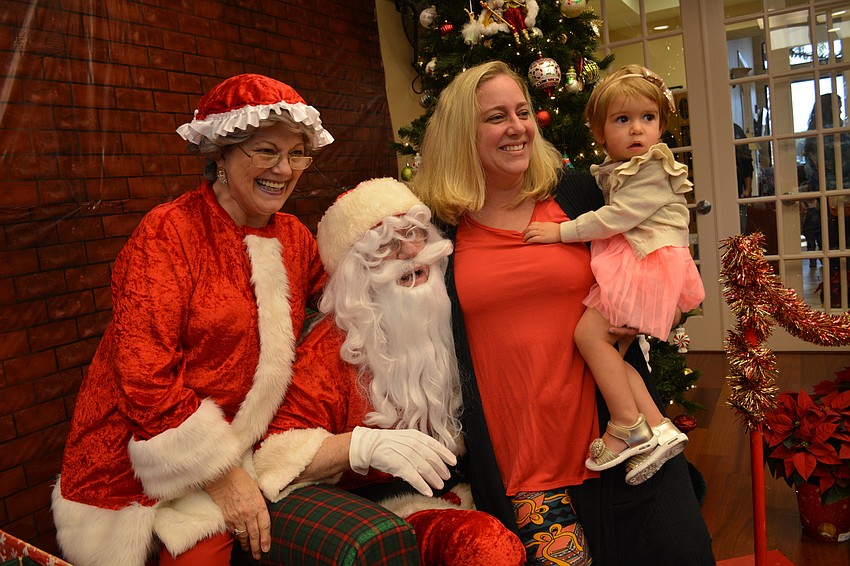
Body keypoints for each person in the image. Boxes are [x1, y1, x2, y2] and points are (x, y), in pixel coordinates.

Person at [412, 60, 714, 565]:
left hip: (621, 438)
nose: (517, 127)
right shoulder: (439, 228)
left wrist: (642, 313)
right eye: (495, 117)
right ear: (461, 133)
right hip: (523, 461)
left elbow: (663, 248)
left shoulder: (578, 194)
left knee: (681, 553)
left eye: (523, 111)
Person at [51, 74, 333, 566]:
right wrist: (223, 476)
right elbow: (144, 377)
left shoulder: (294, 237)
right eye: (266, 151)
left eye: (296, 154)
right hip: (139, 467)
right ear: (221, 155)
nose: (284, 170)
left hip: (241, 448)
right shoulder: (169, 231)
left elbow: (346, 297)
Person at [251, 177, 526, 565]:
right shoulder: (333, 349)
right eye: (387, 244)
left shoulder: (457, 316)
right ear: (354, 272)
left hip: (485, 480)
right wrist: (361, 446)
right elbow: (273, 455)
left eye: (415, 233)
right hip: (393, 510)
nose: (411, 251)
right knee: (485, 547)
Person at [522, 65, 705, 486]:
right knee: (610, 353)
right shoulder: (621, 167)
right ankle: (657, 427)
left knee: (589, 337)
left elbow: (616, 217)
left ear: (661, 123)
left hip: (646, 263)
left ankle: (625, 424)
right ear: (600, 131)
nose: (637, 130)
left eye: (648, 118)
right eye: (623, 120)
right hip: (641, 261)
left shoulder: (654, 167)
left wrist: (560, 232)